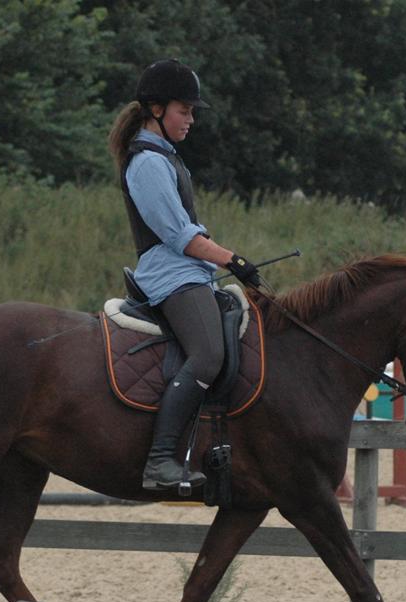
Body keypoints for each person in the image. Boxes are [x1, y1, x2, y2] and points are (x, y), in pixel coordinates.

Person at [107, 58, 264, 491]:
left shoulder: (165, 156)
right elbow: (179, 235)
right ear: (156, 109)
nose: (191, 119)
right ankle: (160, 462)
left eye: (193, 112)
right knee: (209, 354)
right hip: (170, 274)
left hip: (189, 271)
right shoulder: (147, 163)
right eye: (184, 110)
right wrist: (234, 260)